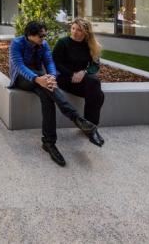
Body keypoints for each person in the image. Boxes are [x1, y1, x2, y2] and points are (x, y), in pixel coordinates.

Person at [9, 21, 102, 167]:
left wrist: (51, 76)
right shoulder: (17, 43)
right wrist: (37, 79)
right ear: (30, 35)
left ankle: (49, 142)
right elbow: (19, 66)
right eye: (41, 36)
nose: (44, 38)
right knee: (48, 88)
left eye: (45, 35)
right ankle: (76, 118)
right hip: (22, 78)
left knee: (47, 96)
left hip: (40, 77)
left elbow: (50, 62)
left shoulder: (43, 44)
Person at [53, 17, 106, 148]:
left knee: (95, 89)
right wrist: (72, 74)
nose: (75, 32)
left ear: (86, 33)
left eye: (79, 30)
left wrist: (84, 72)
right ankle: (91, 128)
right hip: (65, 79)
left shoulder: (89, 45)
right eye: (73, 28)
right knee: (97, 93)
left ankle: (90, 127)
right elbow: (56, 63)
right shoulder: (63, 43)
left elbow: (95, 65)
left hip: (82, 79)